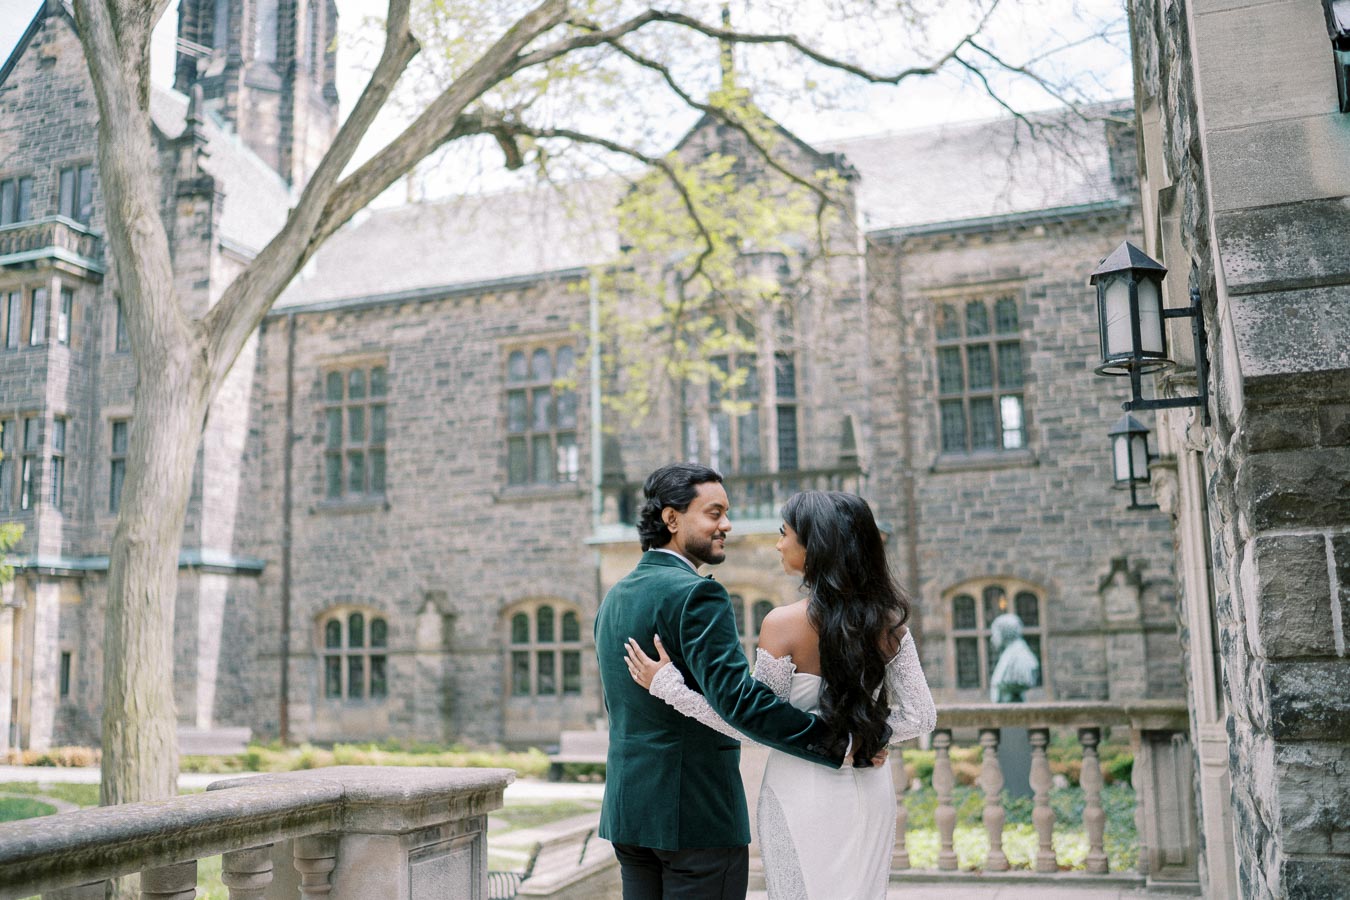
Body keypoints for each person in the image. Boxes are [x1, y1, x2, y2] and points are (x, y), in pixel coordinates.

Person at [624, 489, 937, 900]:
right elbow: (921, 716)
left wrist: (671, 688)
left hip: (799, 791)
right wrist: (867, 738)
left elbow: (753, 722)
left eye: (784, 532)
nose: (778, 543)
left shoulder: (783, 624)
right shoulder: (889, 623)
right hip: (871, 787)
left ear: (815, 545)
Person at [595, 464, 855, 900]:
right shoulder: (698, 595)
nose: (727, 525)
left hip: (630, 815)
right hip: (696, 819)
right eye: (714, 513)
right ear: (671, 519)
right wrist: (837, 742)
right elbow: (740, 702)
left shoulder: (613, 598)